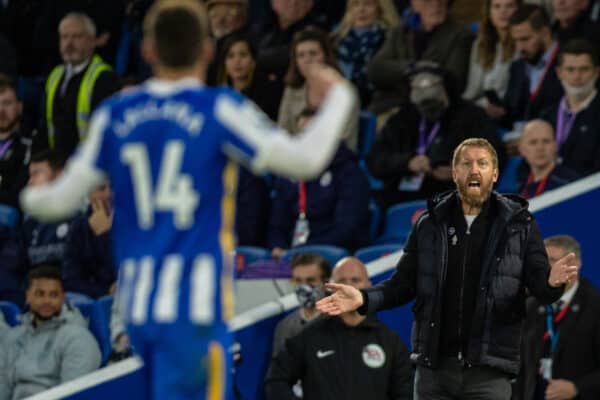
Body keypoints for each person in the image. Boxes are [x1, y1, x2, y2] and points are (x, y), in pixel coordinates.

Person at [19, 1, 357, 399]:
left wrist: (31, 189)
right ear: (208, 50)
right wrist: (339, 96)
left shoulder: (116, 114)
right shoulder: (218, 108)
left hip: (137, 307)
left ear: (147, 51)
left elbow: (52, 202)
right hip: (193, 304)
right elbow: (304, 160)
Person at [317, 138, 580, 400]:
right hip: (434, 373)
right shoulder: (429, 224)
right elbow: (401, 285)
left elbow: (539, 287)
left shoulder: (519, 225)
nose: (474, 170)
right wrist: (362, 298)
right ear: (455, 173)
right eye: (466, 163)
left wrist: (552, 282)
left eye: (483, 163)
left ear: (496, 173)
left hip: (489, 374)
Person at [265, 256, 413, 400]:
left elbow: (405, 393)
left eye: (355, 280)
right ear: (331, 288)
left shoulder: (390, 342)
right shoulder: (309, 336)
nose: (349, 287)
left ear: (369, 285)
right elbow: (276, 381)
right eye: (342, 281)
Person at [367, 65, 505, 208]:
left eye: (435, 103)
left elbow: (493, 158)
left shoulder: (472, 117)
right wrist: (407, 162)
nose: (429, 109)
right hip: (400, 194)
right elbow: (375, 160)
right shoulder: (403, 119)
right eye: (423, 105)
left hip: (453, 197)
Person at [269, 107, 369, 256]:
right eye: (303, 135)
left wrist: (301, 252)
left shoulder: (350, 173)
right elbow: (276, 224)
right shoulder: (291, 173)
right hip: (292, 255)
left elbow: (346, 230)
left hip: (330, 256)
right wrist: (278, 246)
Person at [514, 235, 600, 400]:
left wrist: (577, 388)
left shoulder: (595, 308)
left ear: (574, 265)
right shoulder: (530, 305)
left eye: (552, 260)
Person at [0, 265, 101, 399]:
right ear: (28, 296)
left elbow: (74, 395)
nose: (47, 301)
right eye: (39, 294)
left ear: (62, 298)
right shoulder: (13, 338)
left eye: (53, 295)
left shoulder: (79, 339)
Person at [366, 0, 474, 114]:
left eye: (441, 1)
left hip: (433, 110)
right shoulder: (400, 32)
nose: (436, 5)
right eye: (428, 1)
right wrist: (412, 68)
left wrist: (401, 76)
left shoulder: (460, 36)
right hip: (391, 106)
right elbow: (375, 70)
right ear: (415, 4)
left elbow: (454, 81)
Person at [40, 12, 119, 158]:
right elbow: (45, 125)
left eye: (76, 37)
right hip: (58, 164)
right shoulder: (55, 75)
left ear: (92, 41)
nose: (69, 43)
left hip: (88, 165)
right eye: (64, 37)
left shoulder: (104, 78)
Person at [278, 27, 359, 151]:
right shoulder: (292, 89)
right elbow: (283, 131)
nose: (307, 59)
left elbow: (342, 139)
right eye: (301, 55)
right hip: (296, 157)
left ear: (326, 57)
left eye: (313, 53)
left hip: (335, 159)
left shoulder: (345, 92)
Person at [540, 38, 600, 176]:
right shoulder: (546, 116)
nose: (577, 76)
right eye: (570, 69)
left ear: (597, 72)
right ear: (559, 73)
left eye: (584, 69)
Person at [331, 0, 400, 107]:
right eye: (356, 4)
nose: (361, 10)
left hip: (378, 103)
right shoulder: (335, 40)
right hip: (340, 103)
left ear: (380, 9)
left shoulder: (390, 38)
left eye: (368, 4)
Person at [504, 4, 563, 128]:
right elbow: (511, 112)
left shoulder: (568, 65)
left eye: (525, 39)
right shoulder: (517, 67)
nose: (520, 47)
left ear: (545, 32)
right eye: (516, 40)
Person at [19, 150, 79, 268]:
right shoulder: (29, 222)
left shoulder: (80, 217)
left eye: (36, 174)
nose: (30, 182)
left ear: (59, 176)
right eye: (30, 176)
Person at [463, 0, 520, 122]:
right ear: (489, 13)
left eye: (509, 6)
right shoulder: (479, 45)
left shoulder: (521, 45)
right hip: (480, 110)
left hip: (508, 114)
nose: (503, 11)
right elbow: (471, 91)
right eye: (497, 6)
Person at [62, 179, 117, 299]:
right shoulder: (79, 227)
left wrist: (105, 235)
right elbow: (71, 280)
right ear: (89, 194)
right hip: (96, 299)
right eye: (101, 189)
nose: (109, 194)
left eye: (114, 186)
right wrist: (105, 290)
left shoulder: (137, 223)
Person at [271, 252, 331, 357]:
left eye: (310, 280)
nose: (304, 286)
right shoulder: (285, 327)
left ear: (326, 284)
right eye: (298, 281)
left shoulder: (342, 319)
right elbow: (279, 370)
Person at [517, 119, 579, 198]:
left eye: (546, 141)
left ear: (555, 146)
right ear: (522, 149)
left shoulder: (570, 184)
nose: (540, 148)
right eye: (533, 142)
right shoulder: (521, 187)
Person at [0, 75, 32, 209]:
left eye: (7, 103)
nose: (1, 110)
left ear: (19, 107)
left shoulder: (30, 146)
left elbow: (18, 196)